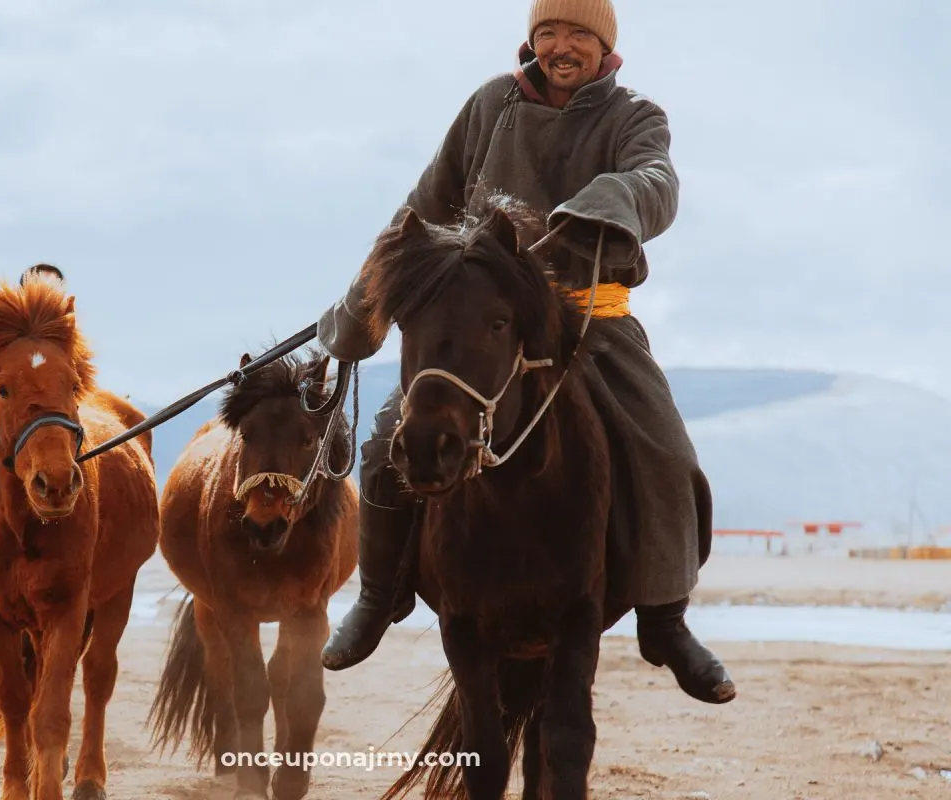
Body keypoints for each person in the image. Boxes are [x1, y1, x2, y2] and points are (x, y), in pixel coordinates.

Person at [314, 0, 735, 704]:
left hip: (589, 319)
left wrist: (608, 199)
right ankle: (380, 594)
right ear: (531, 39)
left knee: (664, 450)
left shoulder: (636, 118)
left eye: (577, 34)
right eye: (548, 33)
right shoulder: (489, 106)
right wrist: (360, 303)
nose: (561, 46)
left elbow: (656, 184)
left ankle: (664, 619)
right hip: (486, 323)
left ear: (604, 47)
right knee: (392, 437)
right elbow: (422, 209)